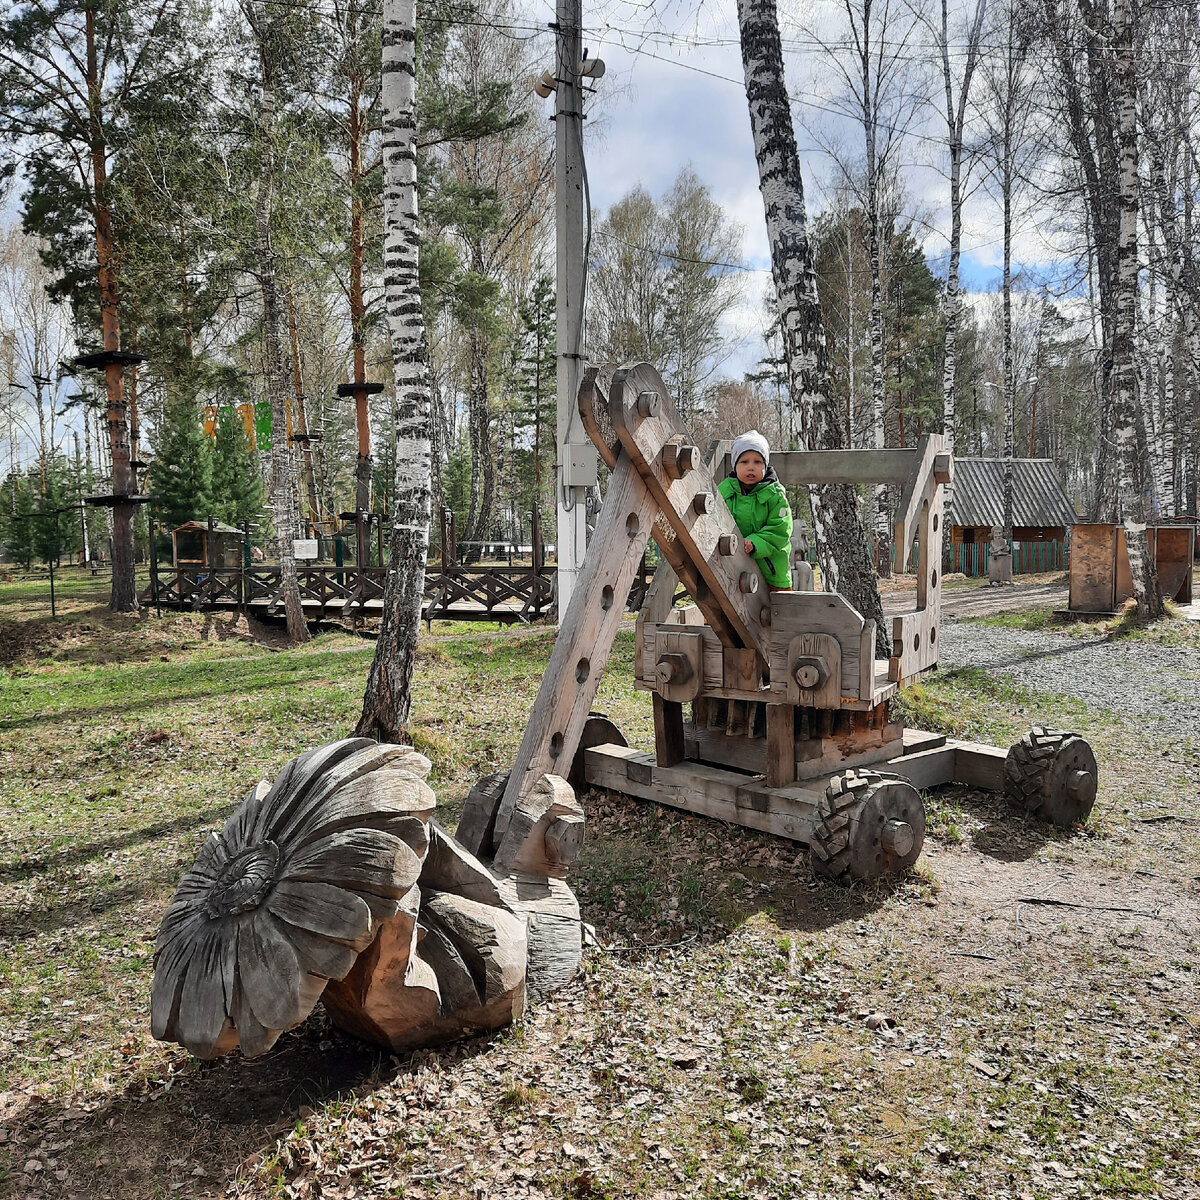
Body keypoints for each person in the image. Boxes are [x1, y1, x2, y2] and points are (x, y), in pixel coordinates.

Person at [717, 430, 793, 590]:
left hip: (770, 569)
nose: (751, 467)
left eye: (757, 462)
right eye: (744, 462)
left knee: (777, 608)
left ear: (765, 465)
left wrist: (755, 543)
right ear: (735, 465)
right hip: (731, 565)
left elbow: (780, 530)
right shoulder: (724, 492)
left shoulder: (775, 495)